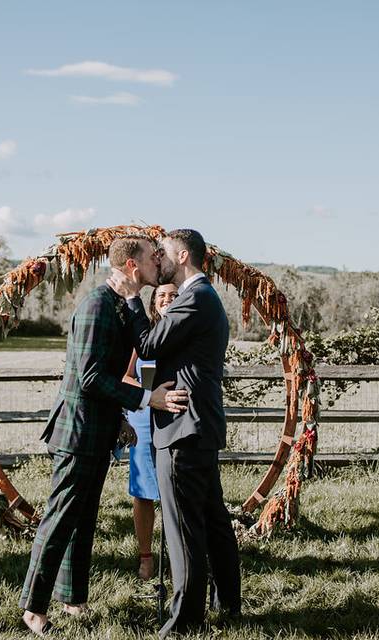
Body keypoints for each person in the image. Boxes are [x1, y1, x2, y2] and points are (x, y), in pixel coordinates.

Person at [20, 236, 188, 637]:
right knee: (61, 518)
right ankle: (32, 606)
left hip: (100, 427)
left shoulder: (124, 305)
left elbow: (139, 349)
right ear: (132, 265)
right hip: (78, 429)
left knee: (83, 517)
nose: (158, 262)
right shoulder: (97, 305)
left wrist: (122, 419)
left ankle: (72, 598)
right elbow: (91, 377)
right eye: (152, 257)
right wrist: (151, 399)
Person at [116, 229, 242, 638]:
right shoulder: (200, 297)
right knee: (212, 519)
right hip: (196, 425)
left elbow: (149, 346)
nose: (160, 259)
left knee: (183, 526)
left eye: (164, 253)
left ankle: (185, 620)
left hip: (184, 427)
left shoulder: (195, 297)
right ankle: (228, 604)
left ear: (183, 254)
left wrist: (133, 300)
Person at [123, 283, 178, 580]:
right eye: (161, 295)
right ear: (153, 302)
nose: (167, 299)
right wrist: (148, 393)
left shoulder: (183, 333)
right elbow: (125, 377)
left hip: (174, 419)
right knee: (144, 492)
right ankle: (146, 557)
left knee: (175, 490)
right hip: (144, 417)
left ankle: (175, 555)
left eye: (172, 295)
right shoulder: (142, 337)